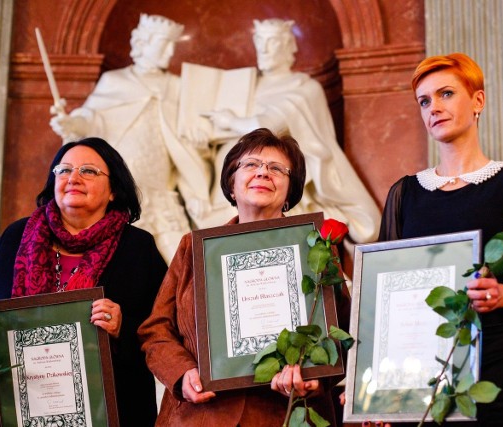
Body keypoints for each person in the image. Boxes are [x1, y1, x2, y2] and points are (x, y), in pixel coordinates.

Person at [378, 53, 503, 426]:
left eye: (446, 94)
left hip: (502, 376)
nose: (434, 107)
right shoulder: (404, 194)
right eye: (424, 101)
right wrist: (373, 389)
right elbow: (385, 297)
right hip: (421, 380)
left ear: (478, 101)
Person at [137, 128, 351, 426]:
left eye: (276, 168)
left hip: (285, 413)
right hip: (199, 416)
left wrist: (316, 379)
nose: (263, 173)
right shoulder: (193, 248)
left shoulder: (315, 247)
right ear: (232, 184)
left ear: (290, 190)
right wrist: (182, 373)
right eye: (251, 165)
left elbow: (345, 330)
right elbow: (156, 330)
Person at [0, 137, 168, 426]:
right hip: (14, 405)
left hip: (109, 408)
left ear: (114, 191)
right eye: (64, 170)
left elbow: (164, 328)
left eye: (89, 171)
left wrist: (123, 327)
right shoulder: (16, 236)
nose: (73, 178)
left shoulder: (138, 248)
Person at [197, 18, 381, 247]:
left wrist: (231, 121)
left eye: (272, 42)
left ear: (288, 46)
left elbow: (273, 123)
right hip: (240, 183)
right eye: (260, 41)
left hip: (295, 176)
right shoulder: (247, 88)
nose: (264, 49)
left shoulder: (303, 86)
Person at [50, 14, 211, 265]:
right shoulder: (115, 81)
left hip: (162, 195)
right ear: (144, 42)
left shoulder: (177, 87)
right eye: (163, 43)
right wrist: (72, 124)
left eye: (172, 45)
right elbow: (92, 121)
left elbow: (194, 130)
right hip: (120, 195)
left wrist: (200, 135)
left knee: (185, 266)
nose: (170, 52)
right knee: (121, 263)